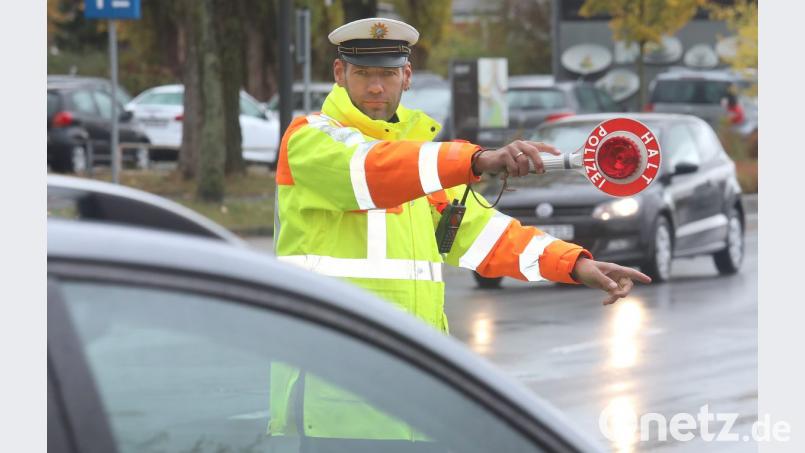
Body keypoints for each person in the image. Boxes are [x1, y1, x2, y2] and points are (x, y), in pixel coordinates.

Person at [269, 17, 650, 451]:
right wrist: (478, 159)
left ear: (406, 77)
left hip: (415, 404)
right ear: (340, 73)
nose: (376, 87)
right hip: (336, 408)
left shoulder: (420, 159)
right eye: (363, 73)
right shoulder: (309, 141)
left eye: (387, 74)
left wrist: (575, 264)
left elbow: (482, 235)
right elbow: (373, 168)